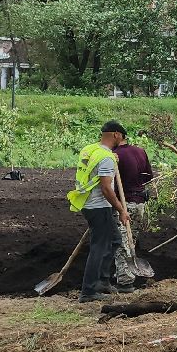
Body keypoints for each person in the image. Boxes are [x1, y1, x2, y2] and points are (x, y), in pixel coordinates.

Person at [69, 121, 132, 302]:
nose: (122, 140)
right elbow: (106, 188)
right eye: (122, 136)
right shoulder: (106, 158)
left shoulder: (91, 150)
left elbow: (95, 166)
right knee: (98, 247)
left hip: (88, 204)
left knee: (114, 240)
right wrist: (121, 209)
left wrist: (111, 157)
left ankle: (103, 281)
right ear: (116, 135)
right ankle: (88, 291)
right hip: (99, 206)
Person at [114, 130, 156, 284]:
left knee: (121, 242)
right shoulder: (140, 152)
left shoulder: (115, 155)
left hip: (125, 204)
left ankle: (125, 280)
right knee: (132, 238)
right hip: (140, 203)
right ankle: (127, 272)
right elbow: (148, 177)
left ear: (117, 136)